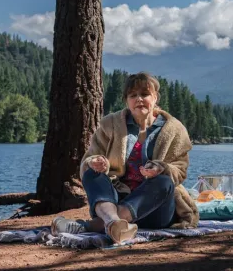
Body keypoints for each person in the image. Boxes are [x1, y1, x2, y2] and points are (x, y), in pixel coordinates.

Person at [50, 72, 198, 244]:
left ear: (155, 97)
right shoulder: (110, 124)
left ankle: (94, 225)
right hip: (115, 199)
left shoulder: (174, 130)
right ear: (126, 100)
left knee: (164, 182)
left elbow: (180, 169)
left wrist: (161, 168)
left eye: (144, 94)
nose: (139, 99)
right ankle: (115, 223)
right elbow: (89, 158)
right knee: (92, 173)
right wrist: (96, 163)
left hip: (156, 209)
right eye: (133, 95)